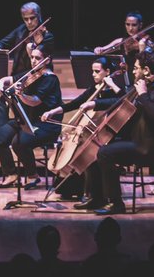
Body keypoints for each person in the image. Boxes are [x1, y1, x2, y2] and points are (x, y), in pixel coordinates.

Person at [75, 53, 154, 215]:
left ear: (146, 71)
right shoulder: (141, 88)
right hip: (135, 141)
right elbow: (119, 102)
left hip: (148, 148)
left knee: (105, 153)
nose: (133, 72)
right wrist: (95, 103)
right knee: (95, 143)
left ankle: (116, 203)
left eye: (136, 68)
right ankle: (97, 198)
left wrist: (143, 95)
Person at [40, 55, 126, 199]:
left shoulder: (115, 89)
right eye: (92, 71)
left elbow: (123, 100)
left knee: (84, 152)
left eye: (97, 71)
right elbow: (75, 103)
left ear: (108, 72)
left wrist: (107, 90)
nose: (93, 74)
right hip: (93, 133)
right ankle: (74, 188)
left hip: (109, 134)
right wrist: (52, 111)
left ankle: (88, 191)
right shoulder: (94, 89)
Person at [0, 48, 61, 189]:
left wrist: (21, 95)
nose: (33, 61)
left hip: (46, 124)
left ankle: (32, 175)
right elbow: (8, 79)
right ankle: (11, 174)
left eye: (38, 58)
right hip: (26, 119)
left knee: (19, 142)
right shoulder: (30, 74)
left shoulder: (50, 79)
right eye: (32, 57)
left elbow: (34, 101)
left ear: (47, 60)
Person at [0, 2, 53, 127]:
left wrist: (32, 47)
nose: (29, 22)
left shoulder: (48, 36)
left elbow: (39, 61)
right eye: (26, 19)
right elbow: (1, 43)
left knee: (8, 92)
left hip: (35, 78)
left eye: (32, 18)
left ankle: (9, 130)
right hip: (18, 76)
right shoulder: (21, 30)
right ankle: (2, 130)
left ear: (39, 16)